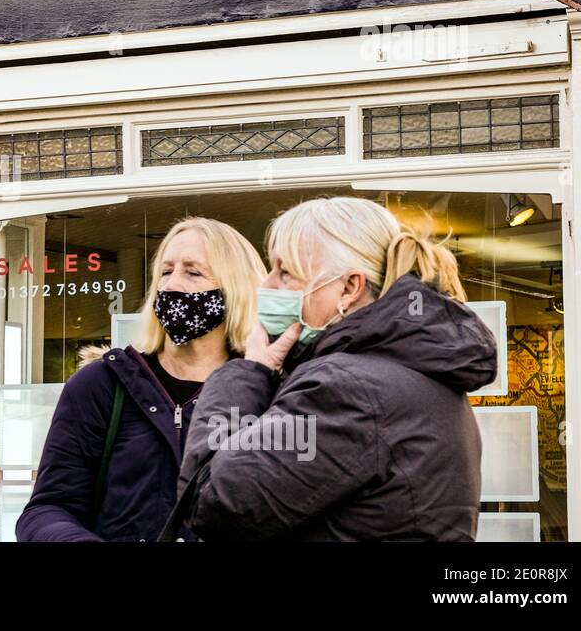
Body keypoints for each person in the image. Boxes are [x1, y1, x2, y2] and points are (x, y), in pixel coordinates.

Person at [164, 196, 496, 541]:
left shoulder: (345, 390)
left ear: (349, 288)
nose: (267, 285)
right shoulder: (409, 371)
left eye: (286, 272)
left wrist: (249, 370)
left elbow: (210, 503)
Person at [15, 218, 264, 541]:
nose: (171, 285)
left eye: (193, 272)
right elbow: (46, 510)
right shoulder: (101, 384)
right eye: (165, 271)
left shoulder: (265, 391)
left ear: (236, 290)